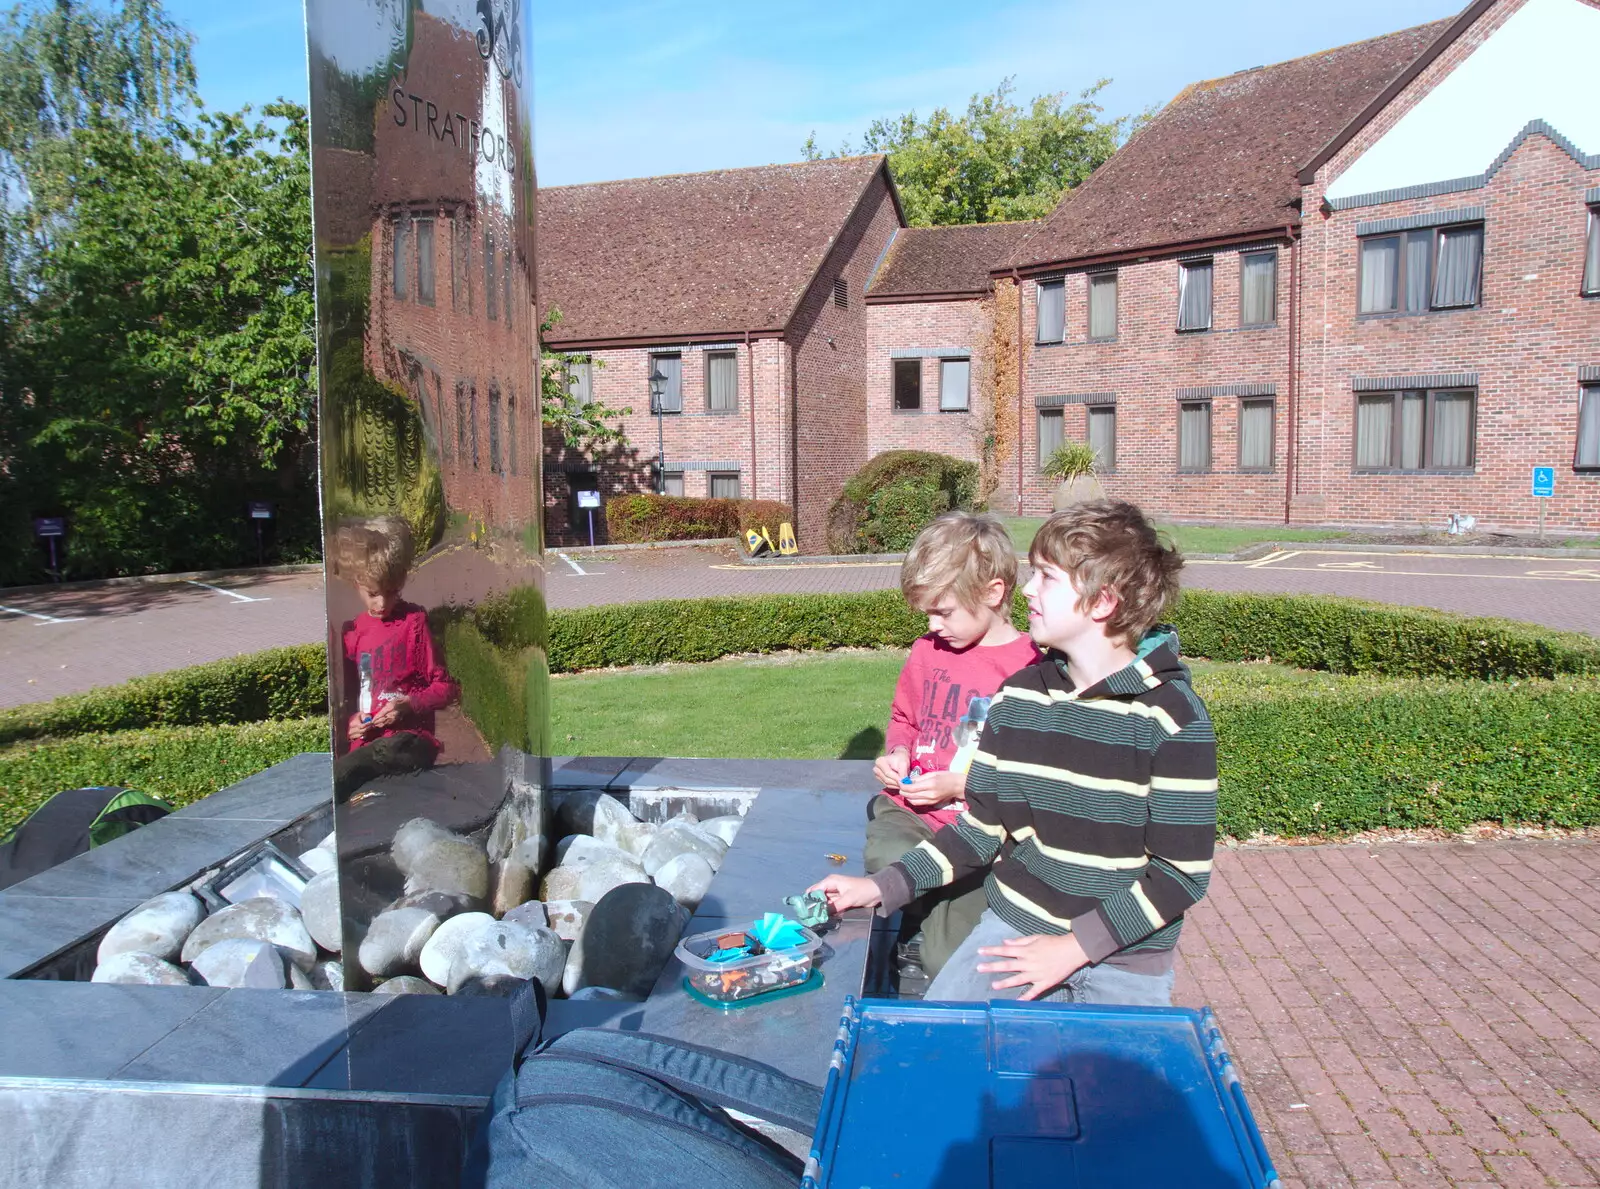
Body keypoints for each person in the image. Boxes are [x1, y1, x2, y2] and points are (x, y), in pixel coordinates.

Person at [814, 500, 1216, 1006]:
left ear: (1102, 602)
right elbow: (980, 831)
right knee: (944, 1052)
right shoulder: (1020, 697)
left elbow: (1181, 875)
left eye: (1046, 577)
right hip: (1012, 932)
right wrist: (878, 888)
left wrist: (1072, 948)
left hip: (1124, 962)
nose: (1027, 588)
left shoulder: (1172, 719)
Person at [865, 511, 1041, 979]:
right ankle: (921, 910)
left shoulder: (1030, 667)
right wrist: (898, 753)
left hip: (981, 836)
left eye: (943, 611)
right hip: (911, 813)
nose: (933, 623)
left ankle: (924, 922)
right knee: (887, 858)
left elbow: (1032, 771)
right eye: (926, 611)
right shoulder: (928, 651)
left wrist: (961, 785)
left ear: (993, 593)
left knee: (950, 961)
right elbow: (905, 718)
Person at [331, 515, 457, 798]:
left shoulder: (414, 622)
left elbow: (446, 688)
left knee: (387, 750)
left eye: (391, 592)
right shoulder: (353, 633)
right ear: (356, 583)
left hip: (410, 742)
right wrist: (351, 723)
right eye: (373, 593)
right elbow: (350, 700)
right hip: (366, 747)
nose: (382, 603)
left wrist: (410, 704)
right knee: (358, 769)